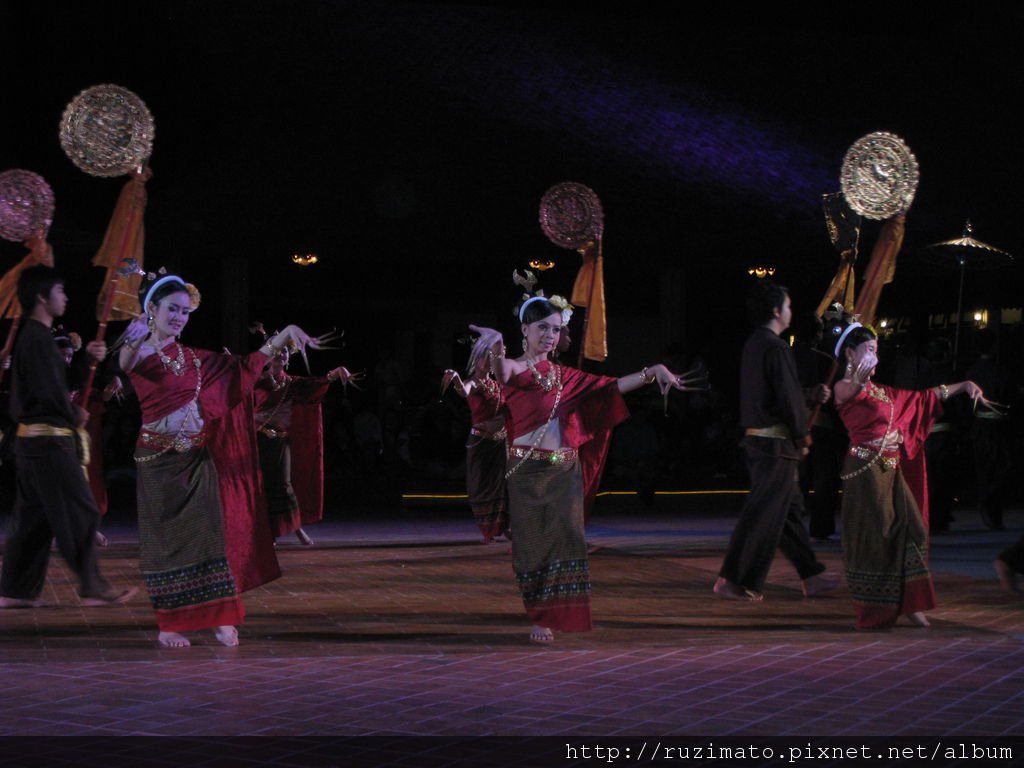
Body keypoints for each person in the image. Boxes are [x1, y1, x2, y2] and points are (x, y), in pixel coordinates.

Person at [119, 272, 321, 648]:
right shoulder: (139, 352)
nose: (179, 317)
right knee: (170, 543)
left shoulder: (196, 359)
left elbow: (243, 369)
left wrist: (283, 334)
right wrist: (133, 336)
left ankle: (220, 616)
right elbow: (127, 360)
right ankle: (171, 623)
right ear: (152, 310)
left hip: (197, 459)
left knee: (212, 538)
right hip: (158, 464)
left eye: (184, 311)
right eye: (171, 310)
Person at [469, 297, 688, 643]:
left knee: (567, 544)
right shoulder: (514, 369)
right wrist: (496, 343)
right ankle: (539, 613)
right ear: (525, 329)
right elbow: (500, 372)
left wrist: (652, 372)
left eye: (556, 329)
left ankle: (554, 616)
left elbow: (610, 387)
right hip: (527, 473)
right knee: (533, 547)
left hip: (564, 472)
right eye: (542, 327)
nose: (550, 335)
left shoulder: (565, 376)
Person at [831, 313, 986, 629]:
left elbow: (923, 398)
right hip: (865, 468)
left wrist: (964, 385)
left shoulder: (882, 391)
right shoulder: (844, 387)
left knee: (912, 526)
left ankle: (911, 601)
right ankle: (877, 607)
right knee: (879, 534)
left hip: (891, 464)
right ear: (850, 353)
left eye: (876, 348)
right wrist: (859, 380)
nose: (875, 355)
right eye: (870, 348)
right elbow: (850, 394)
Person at [0, 266, 136, 610]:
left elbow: (54, 385)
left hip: (34, 442)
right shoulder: (36, 339)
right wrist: (73, 413)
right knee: (81, 508)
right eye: (60, 292)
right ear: (43, 297)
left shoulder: (36, 339)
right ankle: (92, 584)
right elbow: (47, 393)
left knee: (35, 519)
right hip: (48, 442)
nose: (66, 298)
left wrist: (86, 362)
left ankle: (16, 588)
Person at [715, 282, 836, 602]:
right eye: (788, 305)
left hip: (761, 443)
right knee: (762, 514)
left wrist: (810, 395)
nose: (790, 311)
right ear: (775, 310)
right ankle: (732, 578)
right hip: (775, 447)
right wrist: (802, 434)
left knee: (787, 513)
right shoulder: (776, 346)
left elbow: (774, 394)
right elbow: (784, 398)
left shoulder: (756, 344)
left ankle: (811, 575)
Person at [254, 345, 357, 546]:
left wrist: (333, 374)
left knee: (283, 484)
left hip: (280, 441)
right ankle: (269, 533)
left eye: (284, 351)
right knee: (259, 487)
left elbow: (315, 384)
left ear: (288, 357)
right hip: (255, 441)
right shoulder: (256, 380)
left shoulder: (292, 383)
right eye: (276, 351)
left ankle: (295, 526)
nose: (280, 355)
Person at [442, 354, 509, 543]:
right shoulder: (472, 383)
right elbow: (464, 391)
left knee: (501, 486)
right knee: (481, 486)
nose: (488, 361)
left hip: (499, 443)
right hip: (481, 443)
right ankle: (487, 530)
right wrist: (455, 378)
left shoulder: (497, 385)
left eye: (491, 358)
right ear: (476, 362)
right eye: (484, 358)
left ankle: (502, 527)